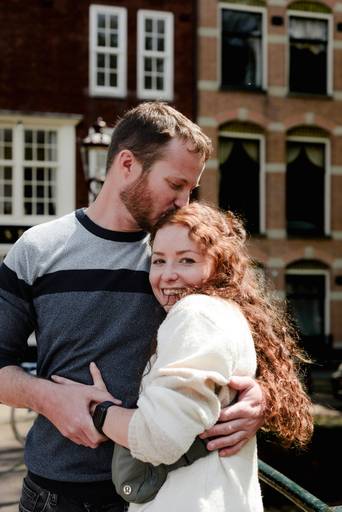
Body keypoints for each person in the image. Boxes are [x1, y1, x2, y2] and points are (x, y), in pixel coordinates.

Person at [0, 102, 265, 512]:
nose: (183, 203)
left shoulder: (182, 256)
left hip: (164, 491)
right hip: (55, 493)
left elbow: (248, 344)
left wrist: (260, 398)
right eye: (175, 185)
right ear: (127, 163)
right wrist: (45, 398)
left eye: (190, 191)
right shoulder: (37, 249)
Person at [55, 202, 313, 511]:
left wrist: (97, 408)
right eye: (159, 261)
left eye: (186, 261)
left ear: (219, 266)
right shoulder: (223, 313)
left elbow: (156, 438)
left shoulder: (196, 313)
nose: (167, 275)